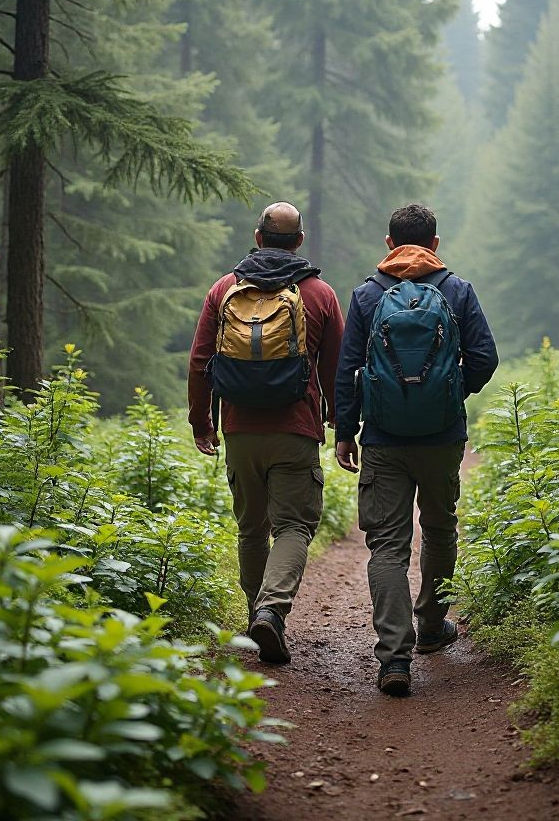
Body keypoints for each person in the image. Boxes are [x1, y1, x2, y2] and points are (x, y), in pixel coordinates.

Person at [335, 204, 498, 696]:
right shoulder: (457, 290)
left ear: (389, 244)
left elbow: (346, 370)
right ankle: (431, 626)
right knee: (440, 526)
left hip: (384, 438)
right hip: (442, 437)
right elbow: (485, 358)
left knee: (387, 545)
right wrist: (452, 392)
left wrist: (346, 430)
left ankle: (394, 659)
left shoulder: (367, 295)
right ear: (436, 243)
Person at [188, 202, 343, 665]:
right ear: (298, 241)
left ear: (258, 238)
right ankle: (272, 612)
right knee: (293, 525)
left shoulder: (224, 289)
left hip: (239, 430)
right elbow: (335, 366)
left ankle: (257, 615)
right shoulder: (318, 294)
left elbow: (200, 361)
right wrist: (339, 421)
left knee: (251, 528)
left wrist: (203, 422)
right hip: (295, 429)